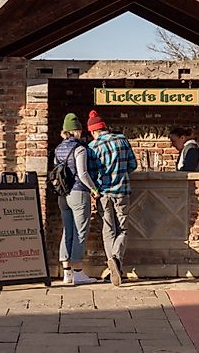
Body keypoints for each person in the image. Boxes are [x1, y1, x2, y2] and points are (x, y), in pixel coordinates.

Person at [86, 110, 137, 287]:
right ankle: (116, 259)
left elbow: (91, 174)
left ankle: (111, 262)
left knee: (108, 230)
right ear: (105, 127)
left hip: (103, 193)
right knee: (123, 228)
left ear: (93, 131)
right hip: (122, 191)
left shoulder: (92, 147)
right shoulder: (122, 140)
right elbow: (133, 165)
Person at [54, 113, 99, 286]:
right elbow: (83, 173)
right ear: (77, 131)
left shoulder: (58, 149)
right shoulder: (80, 149)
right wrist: (94, 189)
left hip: (62, 195)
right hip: (78, 193)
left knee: (67, 231)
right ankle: (78, 272)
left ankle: (67, 273)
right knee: (80, 232)